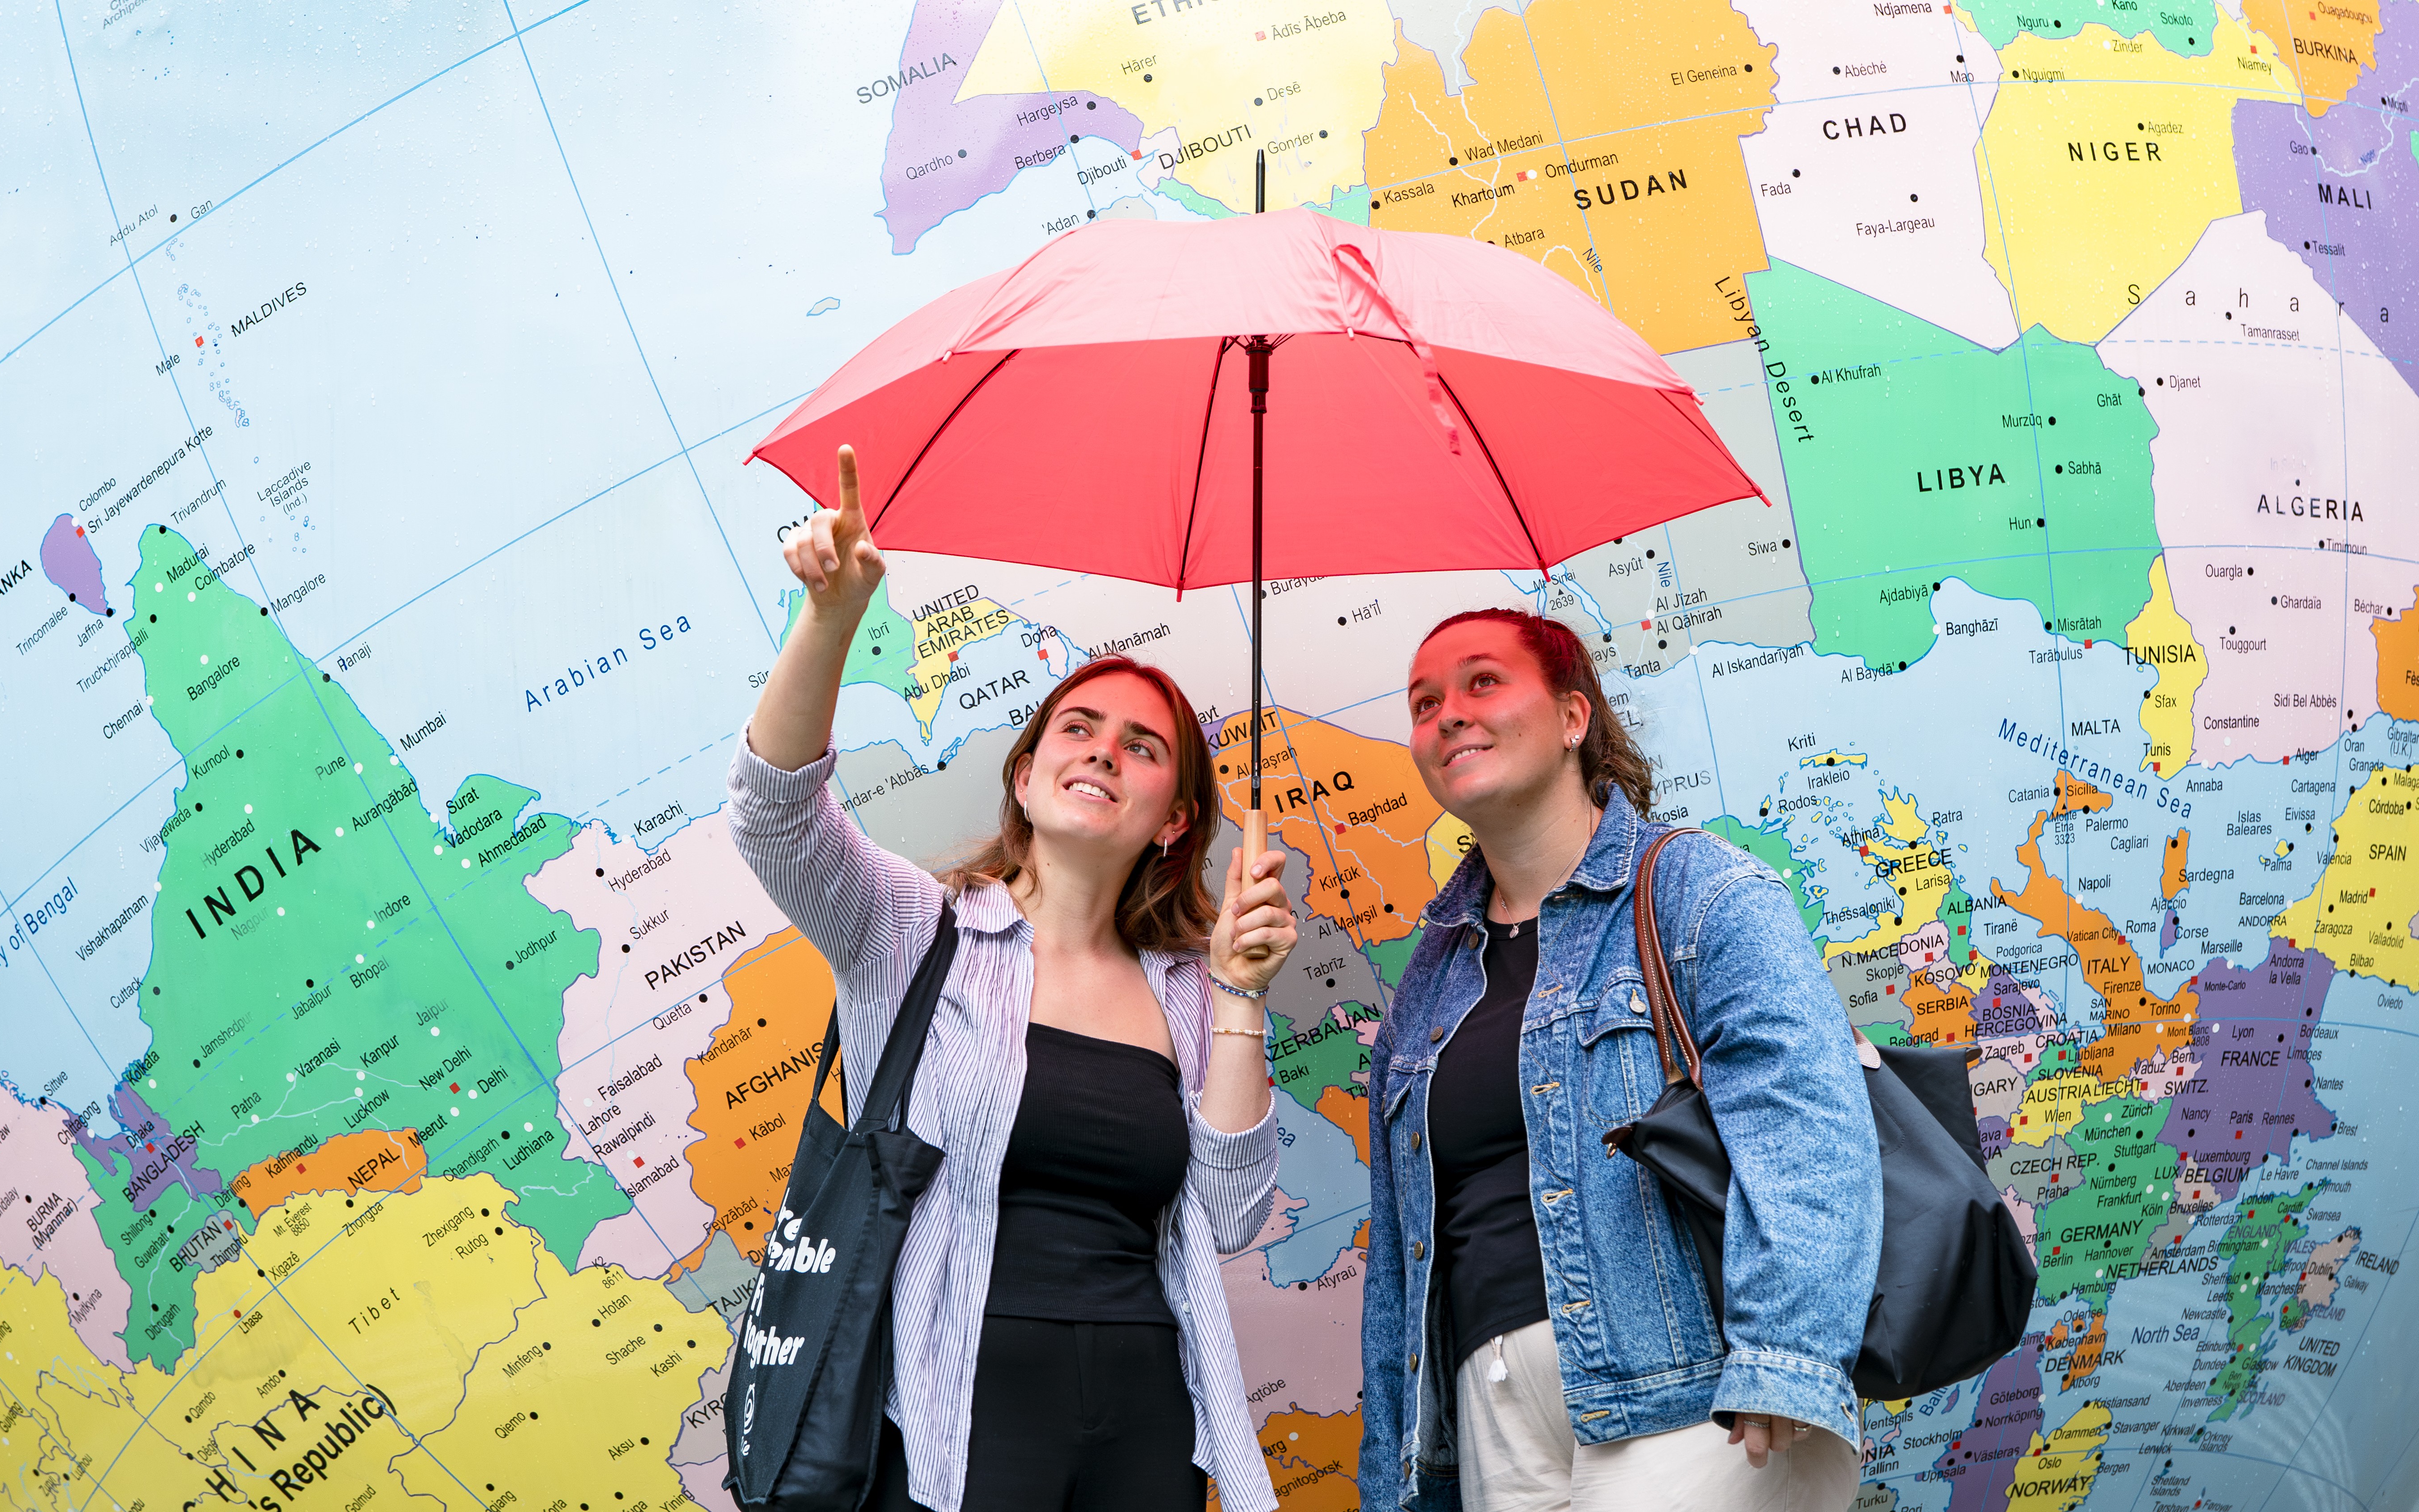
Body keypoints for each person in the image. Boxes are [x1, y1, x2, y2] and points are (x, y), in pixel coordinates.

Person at [726, 446, 1292, 1512]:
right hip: (957, 1418)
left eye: (1142, 745)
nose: (1104, 752)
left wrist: (1243, 994)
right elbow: (773, 816)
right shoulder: (911, 931)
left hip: (1149, 1420)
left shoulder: (1186, 987)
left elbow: (1227, 1213)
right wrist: (833, 616)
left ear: (1174, 819)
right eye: (1077, 728)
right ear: (1026, 776)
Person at [1359, 608, 1880, 1512]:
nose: (1447, 713)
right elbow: (1401, 1261)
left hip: (1698, 1399)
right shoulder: (1428, 984)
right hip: (1494, 1426)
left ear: (1573, 718)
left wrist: (1784, 1354)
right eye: (1424, 700)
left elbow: (1806, 1124)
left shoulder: (1699, 889)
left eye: (1483, 681)